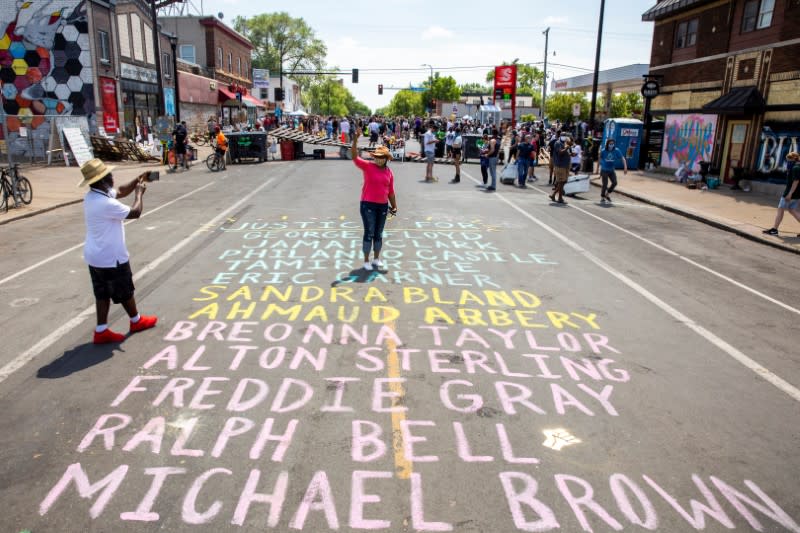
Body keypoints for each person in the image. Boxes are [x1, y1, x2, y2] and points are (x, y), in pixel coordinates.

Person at [78, 159, 157, 344]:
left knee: (102, 293)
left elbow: (120, 191)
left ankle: (101, 330)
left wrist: (139, 177)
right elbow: (135, 212)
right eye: (109, 176)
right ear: (102, 180)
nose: (113, 178)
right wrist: (139, 194)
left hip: (95, 256)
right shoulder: (105, 203)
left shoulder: (93, 196)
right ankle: (136, 321)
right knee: (125, 291)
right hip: (110, 257)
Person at [351, 131, 398, 271]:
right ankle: (366, 260)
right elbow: (354, 157)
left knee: (378, 233)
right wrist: (355, 140)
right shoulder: (368, 166)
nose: (378, 160)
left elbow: (391, 191)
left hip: (383, 206)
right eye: (377, 157)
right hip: (367, 205)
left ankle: (376, 258)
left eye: (381, 158)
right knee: (369, 232)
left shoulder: (389, 172)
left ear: (386, 158)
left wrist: (394, 206)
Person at [763, 151, 800, 236]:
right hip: (797, 194)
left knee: (780, 209)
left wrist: (790, 193)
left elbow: (796, 181)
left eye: (788, 160)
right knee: (792, 210)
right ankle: (774, 229)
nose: (788, 162)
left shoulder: (795, 168)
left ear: (793, 159)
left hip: (790, 193)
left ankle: (774, 230)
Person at [598, 138, 627, 202]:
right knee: (605, 184)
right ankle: (602, 197)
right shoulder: (603, 151)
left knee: (614, 183)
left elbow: (622, 158)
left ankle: (607, 194)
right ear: (607, 144)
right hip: (604, 170)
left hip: (611, 170)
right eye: (610, 144)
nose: (611, 145)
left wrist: (625, 167)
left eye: (613, 144)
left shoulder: (616, 150)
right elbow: (599, 159)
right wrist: (598, 169)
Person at [549, 132, 572, 204]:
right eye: (563, 136)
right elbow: (560, 152)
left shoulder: (565, 144)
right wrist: (566, 148)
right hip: (560, 165)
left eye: (565, 136)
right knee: (561, 181)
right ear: (560, 136)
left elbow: (567, 153)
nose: (564, 137)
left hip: (565, 165)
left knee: (563, 181)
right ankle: (560, 198)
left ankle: (553, 195)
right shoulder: (557, 143)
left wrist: (571, 154)